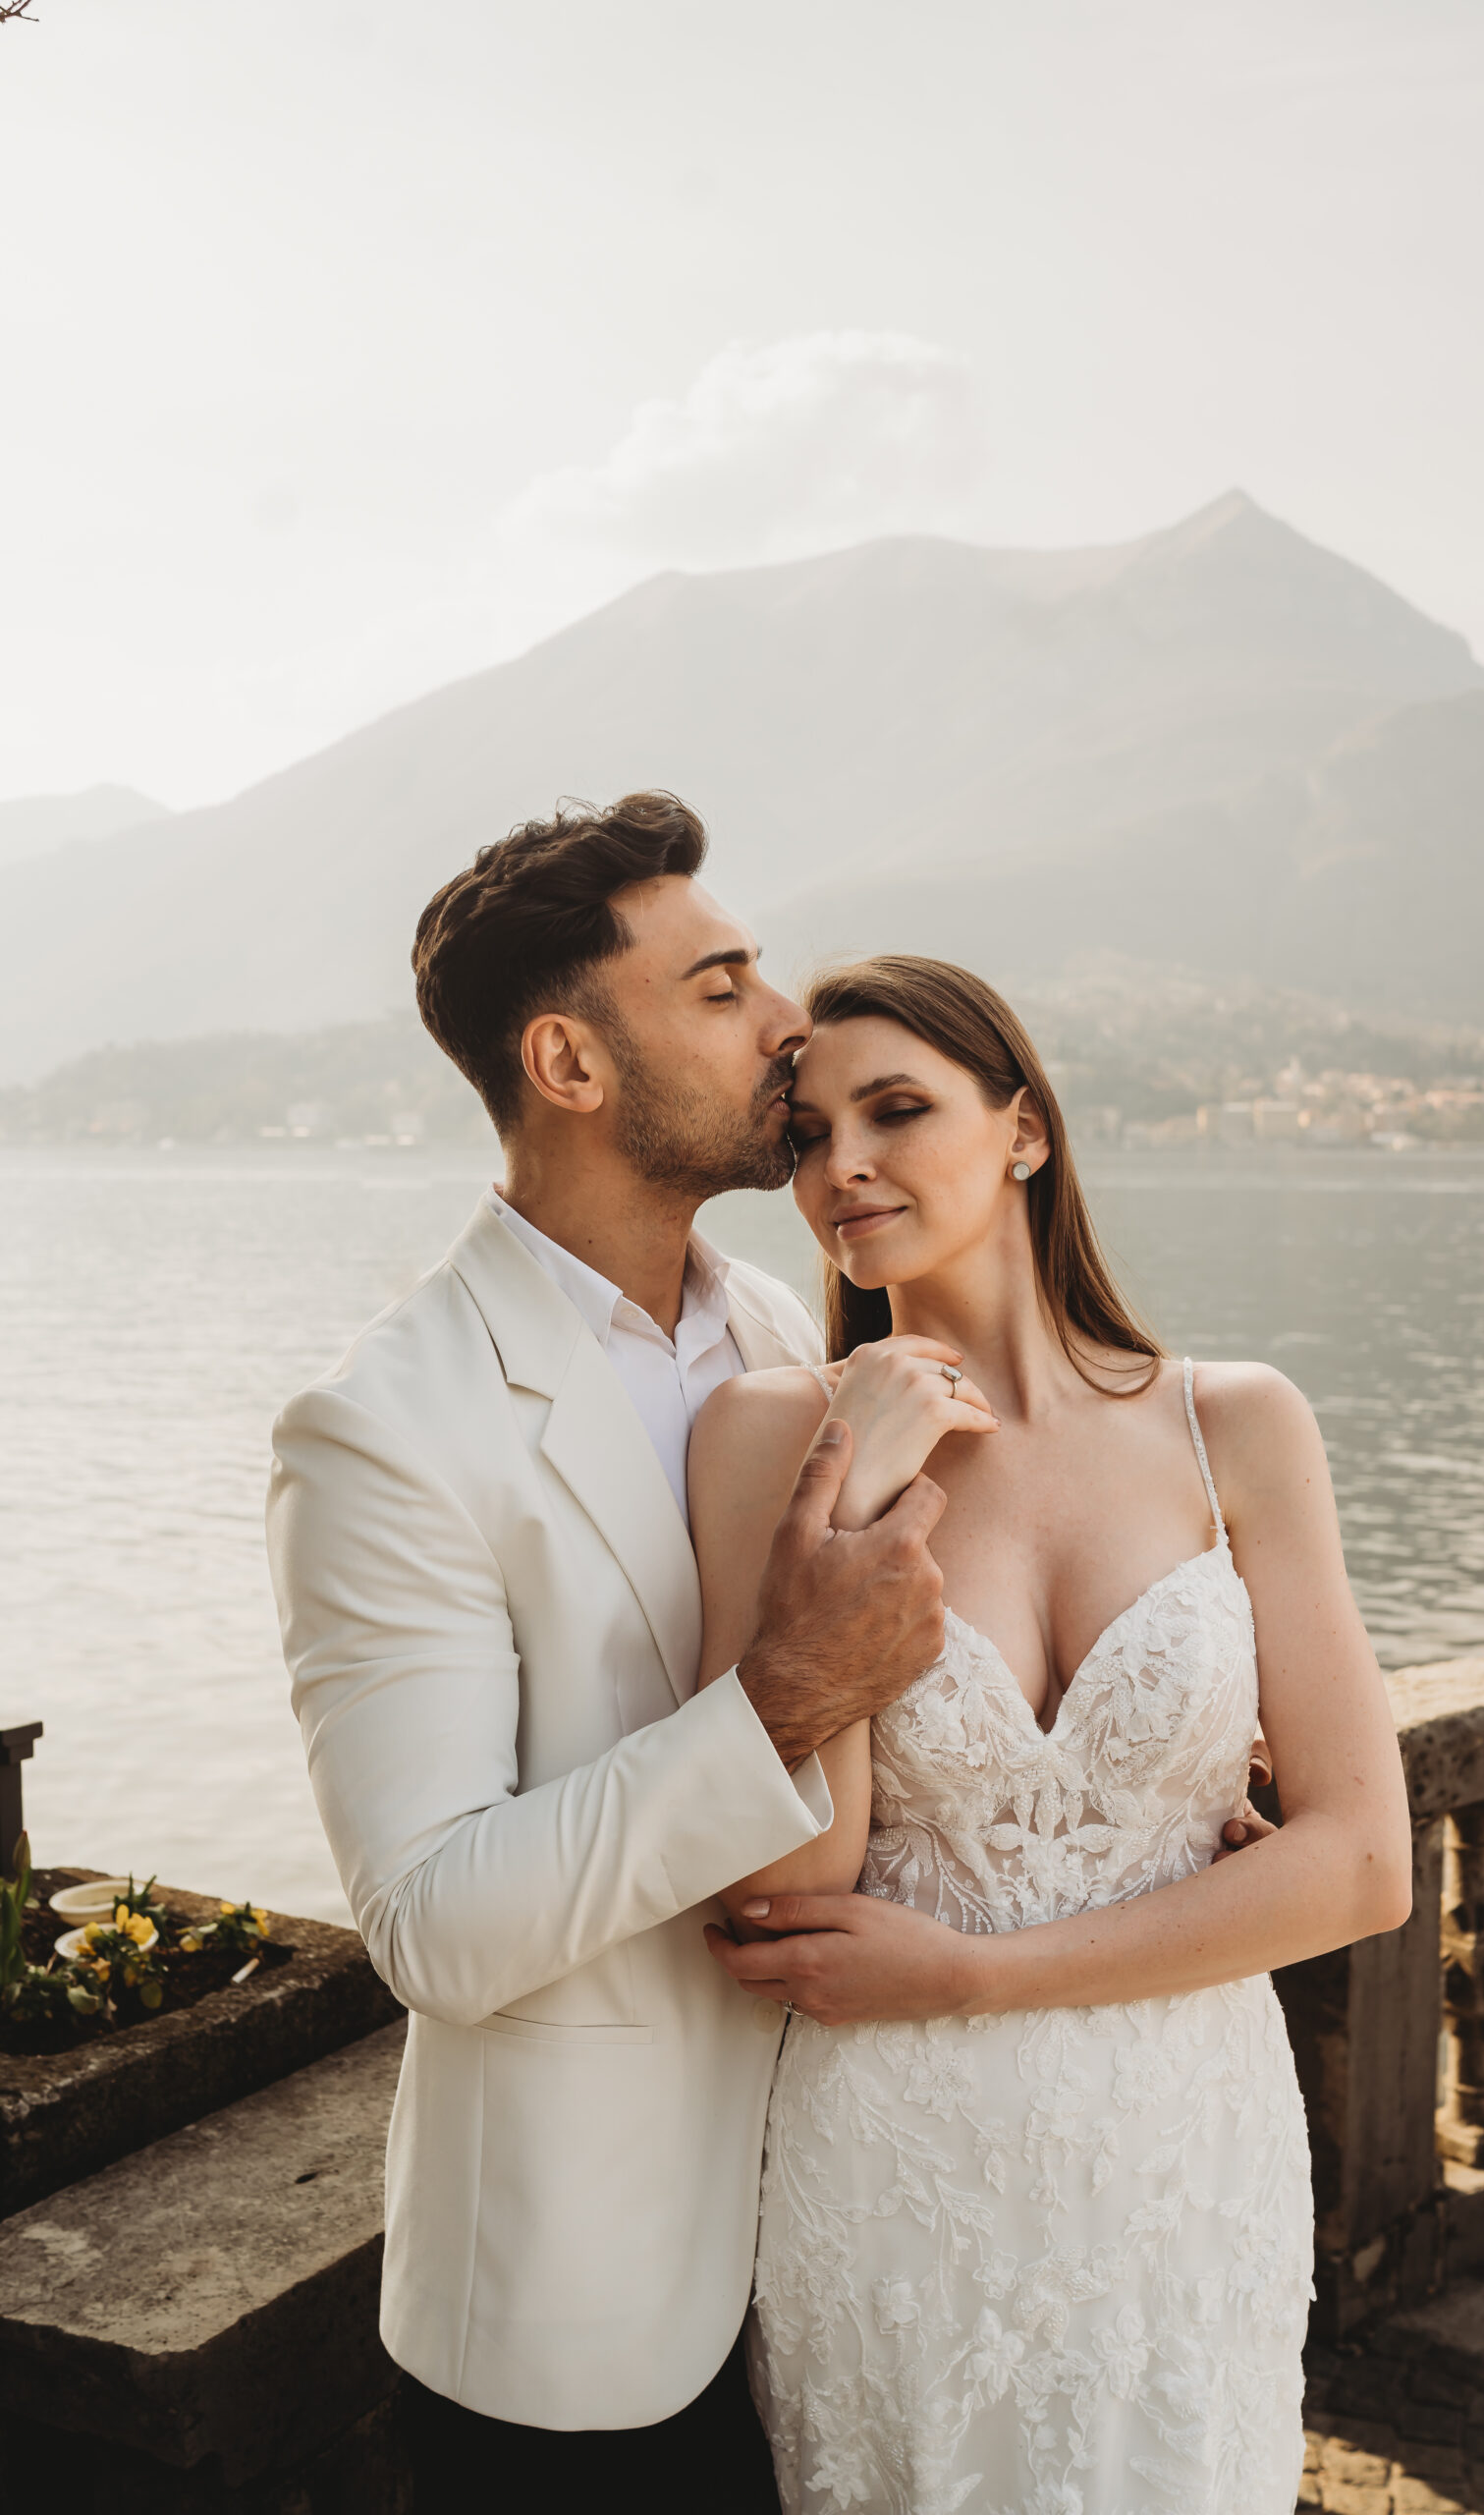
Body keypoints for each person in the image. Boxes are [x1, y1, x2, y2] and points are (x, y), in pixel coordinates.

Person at [265, 795, 951, 2506]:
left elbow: (885, 1692)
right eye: (721, 987)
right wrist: (781, 1695)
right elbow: (432, 1923)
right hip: (573, 2329)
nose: (788, 1018)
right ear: (569, 1062)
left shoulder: (785, 1327)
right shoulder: (382, 1428)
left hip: (834, 2245)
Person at [689, 955, 1413, 2514]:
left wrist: (973, 1973)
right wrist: (856, 1492)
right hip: (899, 2171)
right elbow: (779, 1890)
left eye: (897, 1110)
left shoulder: (1241, 1427)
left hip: (1184, 2155)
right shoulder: (767, 1437)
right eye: (808, 1136)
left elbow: (1361, 1865)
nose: (847, 1166)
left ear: (1024, 1131)